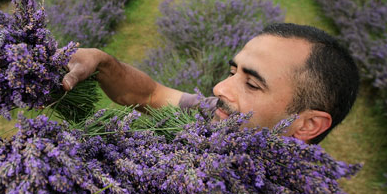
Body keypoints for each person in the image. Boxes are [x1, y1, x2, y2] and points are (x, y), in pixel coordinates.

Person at [62, 23, 359, 144]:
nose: (219, 89)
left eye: (252, 84)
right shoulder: (218, 114)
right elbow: (151, 94)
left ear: (307, 126)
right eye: (233, 72)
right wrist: (102, 63)